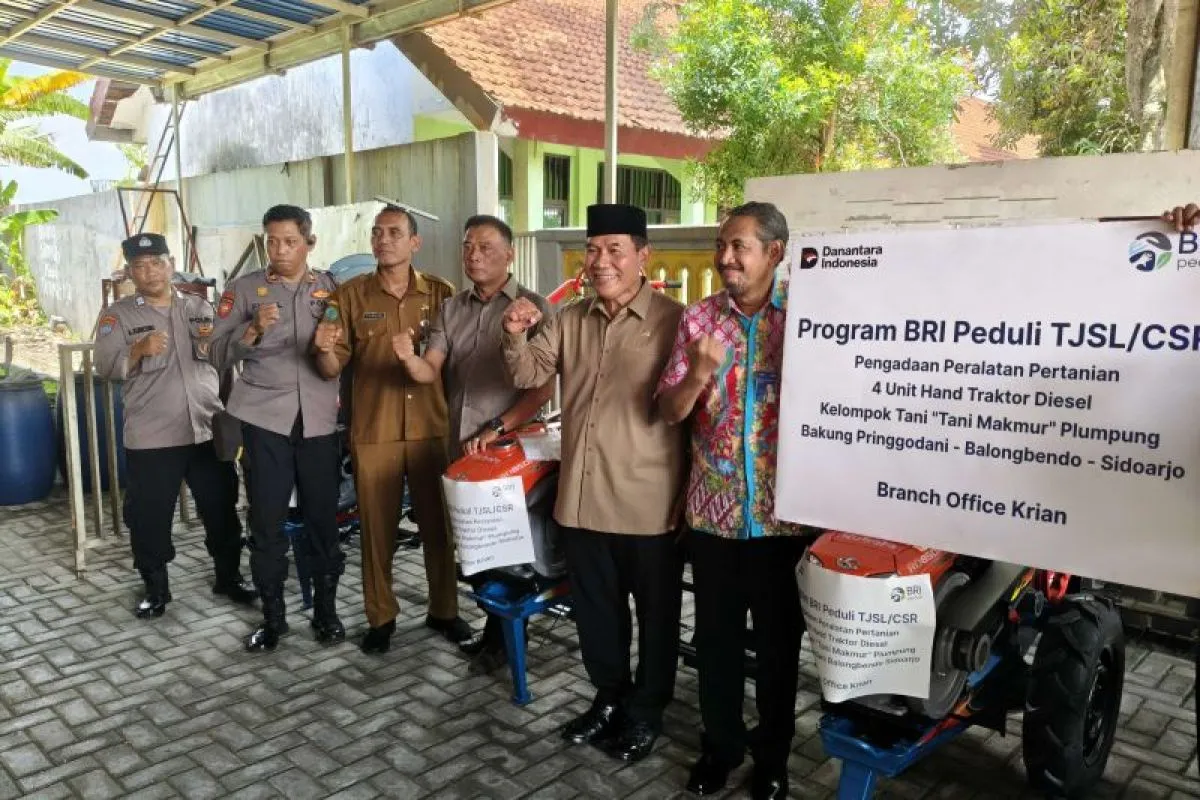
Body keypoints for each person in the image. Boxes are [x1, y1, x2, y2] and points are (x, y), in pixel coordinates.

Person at [501, 203, 688, 763]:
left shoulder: (676, 321)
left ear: (642, 256)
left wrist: (686, 497)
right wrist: (515, 335)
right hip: (581, 501)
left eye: (615, 250)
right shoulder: (569, 319)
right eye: (593, 249)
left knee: (656, 619)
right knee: (597, 615)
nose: (601, 261)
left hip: (649, 503)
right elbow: (530, 373)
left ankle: (646, 712)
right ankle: (609, 698)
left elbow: (691, 415)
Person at [657, 201, 817, 800]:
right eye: (721, 245)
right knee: (716, 646)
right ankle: (720, 747)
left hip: (784, 524)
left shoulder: (808, 319)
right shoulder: (698, 320)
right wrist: (698, 373)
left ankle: (773, 759)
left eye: (738, 246)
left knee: (779, 651)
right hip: (713, 520)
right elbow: (667, 411)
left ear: (774, 252)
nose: (725, 257)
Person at [393, 213, 555, 670]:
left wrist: (497, 428)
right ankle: (494, 634)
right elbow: (431, 368)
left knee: (509, 553)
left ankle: (505, 642)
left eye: (485, 247)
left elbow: (541, 389)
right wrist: (407, 360)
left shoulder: (535, 308)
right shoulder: (452, 309)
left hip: (509, 451)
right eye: (467, 246)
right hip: (461, 449)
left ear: (509, 255)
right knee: (475, 549)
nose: (473, 255)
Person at [313, 205, 471, 654]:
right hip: (375, 430)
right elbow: (330, 368)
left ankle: (444, 611)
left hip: (430, 428)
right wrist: (322, 350)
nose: (383, 240)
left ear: (415, 242)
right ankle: (381, 618)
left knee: (438, 528)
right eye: (377, 233)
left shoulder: (442, 294)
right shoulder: (349, 297)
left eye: (395, 233)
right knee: (376, 530)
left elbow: (456, 364)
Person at [93, 233, 254, 618]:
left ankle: (229, 577)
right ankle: (156, 588)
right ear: (130, 272)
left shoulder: (199, 307)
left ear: (171, 264)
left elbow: (225, 356)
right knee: (149, 516)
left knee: (221, 508)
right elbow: (104, 366)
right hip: (153, 436)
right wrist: (137, 350)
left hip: (206, 429)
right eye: (140, 266)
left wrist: (246, 337)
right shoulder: (119, 316)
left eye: (156, 262)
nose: (149, 271)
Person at [211, 205, 345, 652]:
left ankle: (326, 613)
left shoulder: (333, 288)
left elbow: (348, 349)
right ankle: (273, 619)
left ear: (309, 242)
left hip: (319, 420)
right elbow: (215, 353)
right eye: (272, 241)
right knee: (266, 523)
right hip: (264, 420)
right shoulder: (244, 290)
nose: (279, 250)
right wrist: (251, 330)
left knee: (323, 520)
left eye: (289, 241)